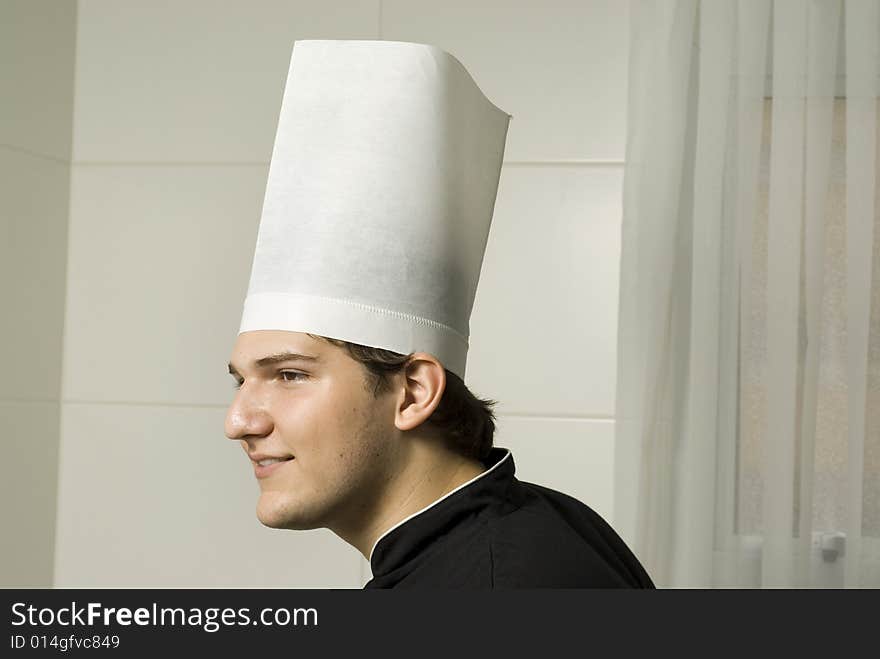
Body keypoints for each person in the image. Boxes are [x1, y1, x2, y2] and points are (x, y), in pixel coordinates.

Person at [225, 39, 654, 588]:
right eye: (240, 381)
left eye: (290, 374)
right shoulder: (543, 524)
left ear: (414, 392)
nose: (239, 421)